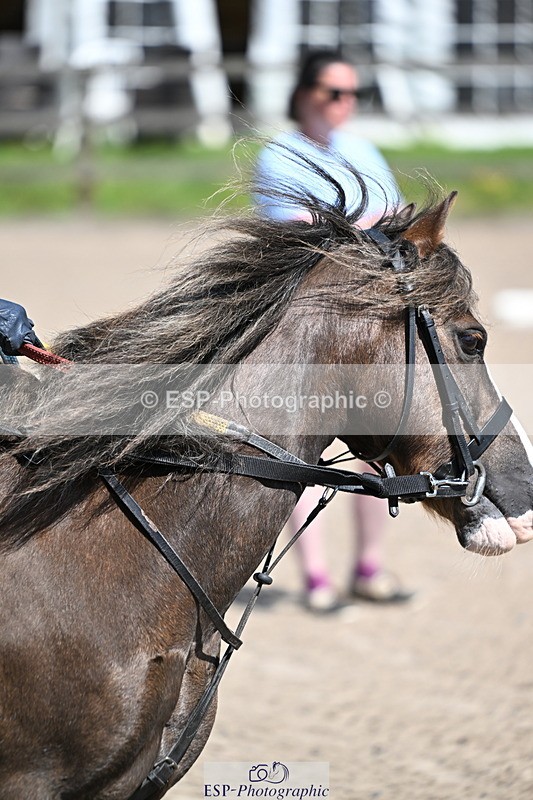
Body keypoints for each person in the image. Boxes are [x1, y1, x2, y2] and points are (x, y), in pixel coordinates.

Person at [253, 49, 412, 612]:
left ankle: (369, 568)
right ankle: (316, 576)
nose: (344, 103)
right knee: (303, 449)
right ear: (304, 94)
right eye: (334, 92)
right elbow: (298, 233)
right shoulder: (281, 156)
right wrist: (365, 222)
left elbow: (395, 218)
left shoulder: (362, 149)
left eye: (351, 93)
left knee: (373, 446)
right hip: (305, 320)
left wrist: (354, 223)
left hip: (361, 316)